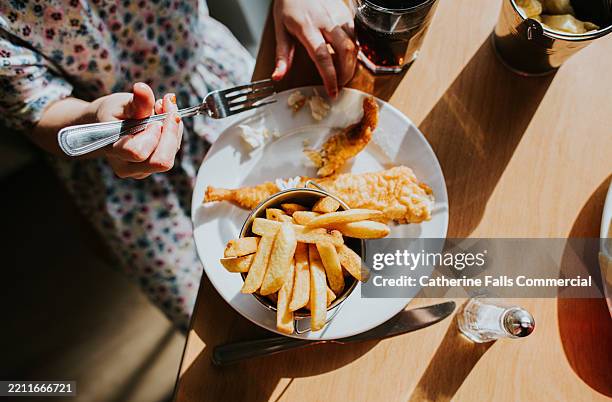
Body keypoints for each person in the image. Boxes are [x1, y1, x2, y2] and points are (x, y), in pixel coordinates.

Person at [0, 0, 357, 331]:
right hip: (117, 166)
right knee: (213, 318)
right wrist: (93, 116)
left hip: (216, 86)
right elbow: (35, 109)